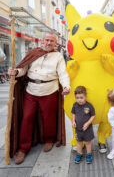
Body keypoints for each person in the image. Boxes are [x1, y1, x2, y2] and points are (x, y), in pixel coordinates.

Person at [8, 32, 71, 164]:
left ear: (55, 43)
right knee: (26, 118)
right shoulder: (33, 53)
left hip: (50, 90)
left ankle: (48, 139)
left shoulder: (58, 56)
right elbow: (23, 70)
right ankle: (23, 148)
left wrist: (66, 86)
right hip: (31, 90)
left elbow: (63, 73)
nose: (48, 43)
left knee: (49, 118)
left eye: (51, 41)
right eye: (47, 40)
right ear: (42, 40)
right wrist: (16, 72)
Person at [71, 86, 95, 164]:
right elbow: (73, 113)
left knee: (88, 142)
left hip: (87, 129)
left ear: (85, 96)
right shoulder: (75, 105)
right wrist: (73, 121)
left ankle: (89, 154)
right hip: (78, 129)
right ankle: (79, 154)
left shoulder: (89, 106)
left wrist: (88, 123)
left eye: (81, 97)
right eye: (77, 98)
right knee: (79, 142)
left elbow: (93, 115)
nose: (79, 100)